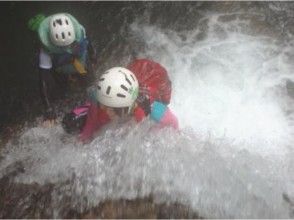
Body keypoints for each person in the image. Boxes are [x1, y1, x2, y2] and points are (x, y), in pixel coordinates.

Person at [62, 59, 179, 142]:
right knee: (71, 123)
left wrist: (154, 134)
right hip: (133, 76)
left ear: (128, 106)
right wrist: (84, 138)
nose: (107, 111)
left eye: (112, 109)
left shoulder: (153, 110)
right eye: (104, 105)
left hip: (158, 83)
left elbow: (173, 125)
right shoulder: (99, 97)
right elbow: (92, 120)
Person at [27, 13, 97, 125]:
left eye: (69, 45)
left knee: (92, 85)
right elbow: (43, 80)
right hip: (60, 68)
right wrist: (48, 109)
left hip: (80, 62)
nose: (67, 49)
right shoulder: (46, 51)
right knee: (65, 92)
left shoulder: (79, 30)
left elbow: (88, 42)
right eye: (63, 47)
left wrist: (93, 56)